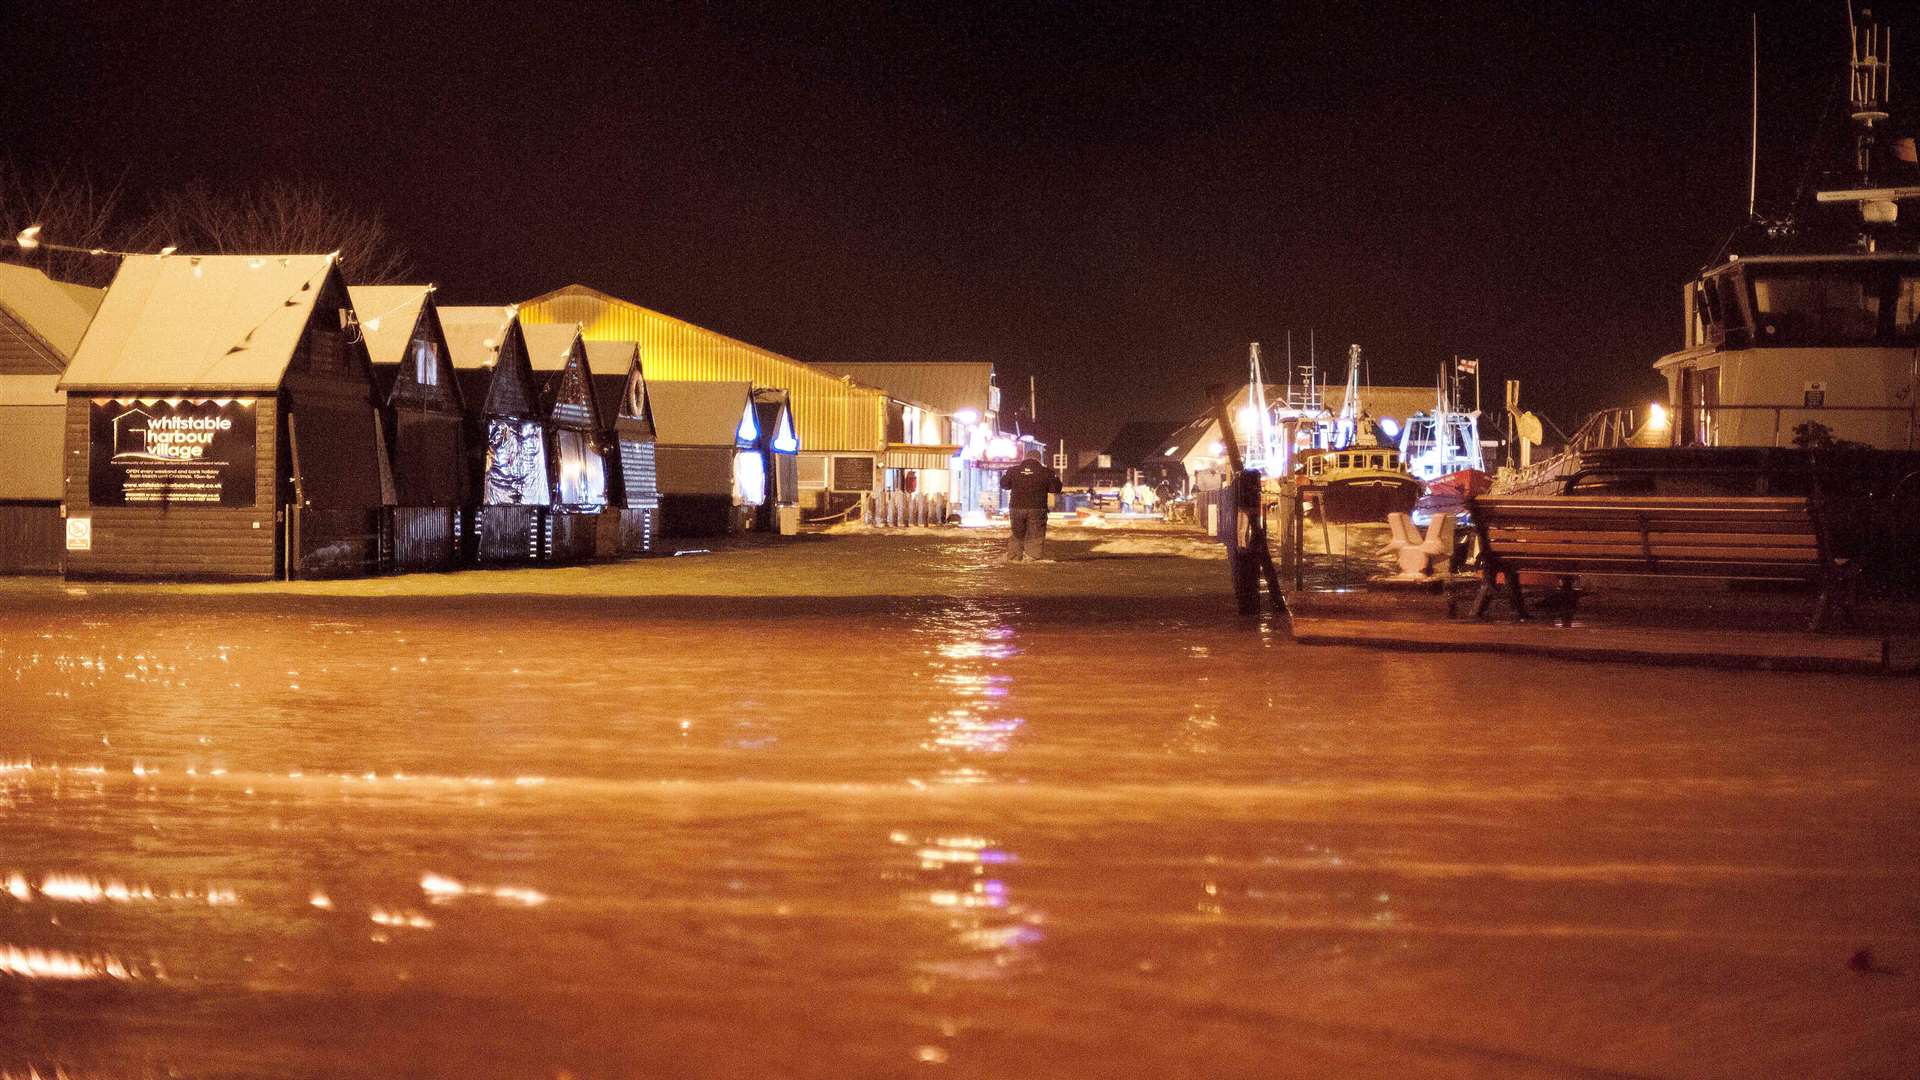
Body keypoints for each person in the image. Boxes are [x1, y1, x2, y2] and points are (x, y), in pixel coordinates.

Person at [1000, 453, 1062, 562]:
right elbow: (1056, 489)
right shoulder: (1046, 472)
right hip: (1037, 508)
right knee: (1035, 534)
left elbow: (1004, 485)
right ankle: (1031, 559)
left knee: (1017, 534)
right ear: (1039, 459)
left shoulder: (1013, 470)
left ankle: (1014, 559)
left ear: (1025, 457)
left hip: (1016, 508)